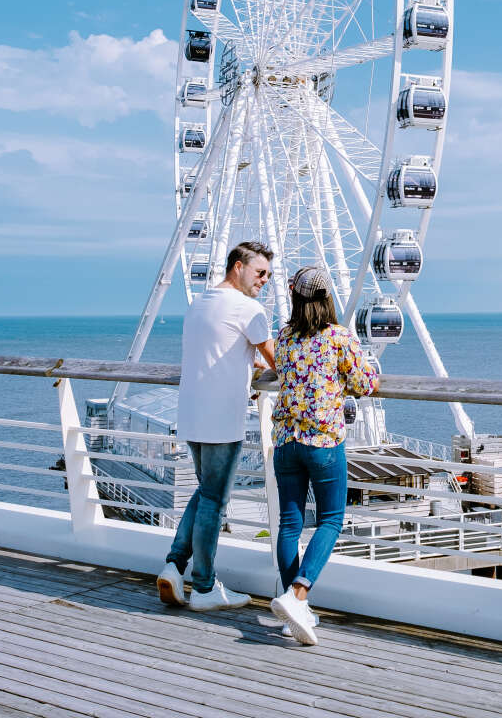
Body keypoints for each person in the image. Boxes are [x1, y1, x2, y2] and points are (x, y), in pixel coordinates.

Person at [157, 241, 276, 612]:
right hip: (222, 419)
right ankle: (205, 587)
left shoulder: (201, 303)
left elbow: (219, 348)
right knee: (215, 501)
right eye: (260, 273)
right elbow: (279, 361)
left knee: (205, 493)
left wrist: (248, 365)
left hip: (190, 416)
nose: (264, 282)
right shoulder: (248, 309)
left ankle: (174, 566)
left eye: (268, 276)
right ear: (238, 266)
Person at [268, 265, 380, 645]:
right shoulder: (337, 338)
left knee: (289, 525)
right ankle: (298, 594)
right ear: (327, 298)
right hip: (323, 443)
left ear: (295, 299)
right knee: (331, 520)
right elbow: (365, 384)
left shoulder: (283, 338)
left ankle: (293, 611)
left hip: (285, 441)